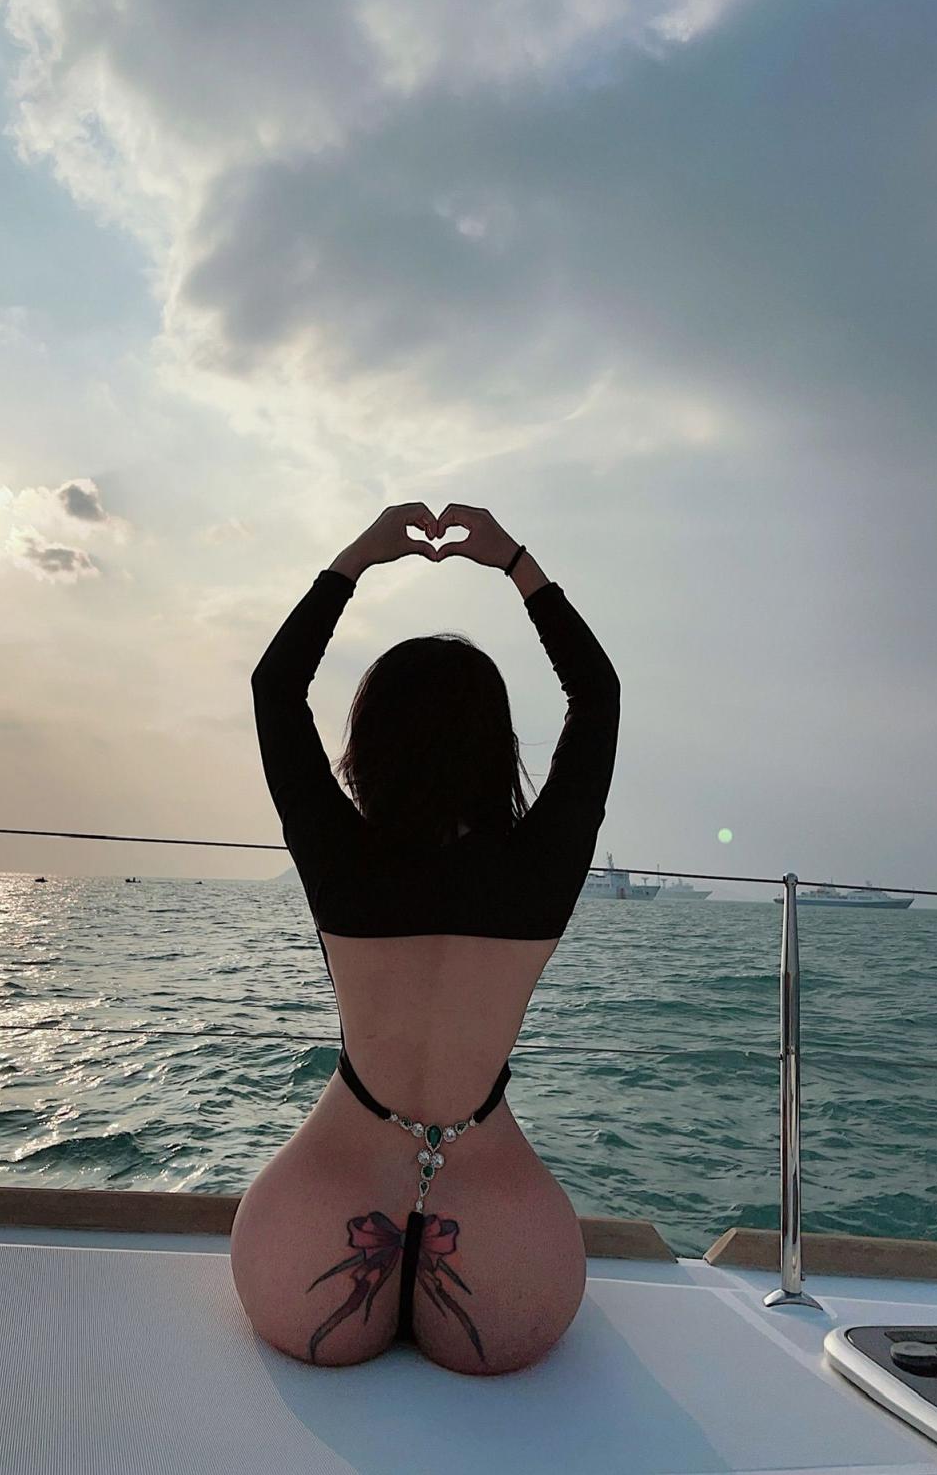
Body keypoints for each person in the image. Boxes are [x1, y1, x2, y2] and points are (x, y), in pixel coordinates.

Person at [230, 502, 620, 1375]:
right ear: (498, 748)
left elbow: (275, 687)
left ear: (368, 747)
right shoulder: (540, 865)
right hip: (507, 1244)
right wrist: (514, 560)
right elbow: (597, 695)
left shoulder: (341, 854)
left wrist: (359, 557)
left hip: (315, 1226)